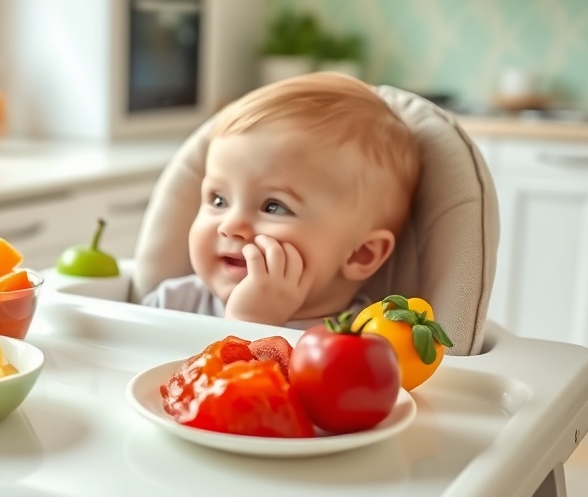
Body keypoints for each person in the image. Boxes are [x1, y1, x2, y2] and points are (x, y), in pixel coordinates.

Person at [141, 72, 421, 329]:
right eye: (218, 201)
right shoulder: (170, 305)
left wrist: (251, 324)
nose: (230, 226)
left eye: (273, 207)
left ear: (361, 254)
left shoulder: (360, 342)